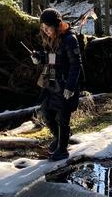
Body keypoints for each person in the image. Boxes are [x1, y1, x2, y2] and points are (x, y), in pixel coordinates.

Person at [31, 8, 82, 161]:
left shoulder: (69, 39)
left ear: (56, 25)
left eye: (47, 27)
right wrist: (40, 57)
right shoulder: (53, 38)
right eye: (43, 28)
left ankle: (63, 150)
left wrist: (70, 87)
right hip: (52, 83)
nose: (45, 31)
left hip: (66, 85)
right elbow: (53, 58)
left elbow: (76, 65)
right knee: (46, 113)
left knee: (63, 118)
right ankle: (59, 138)